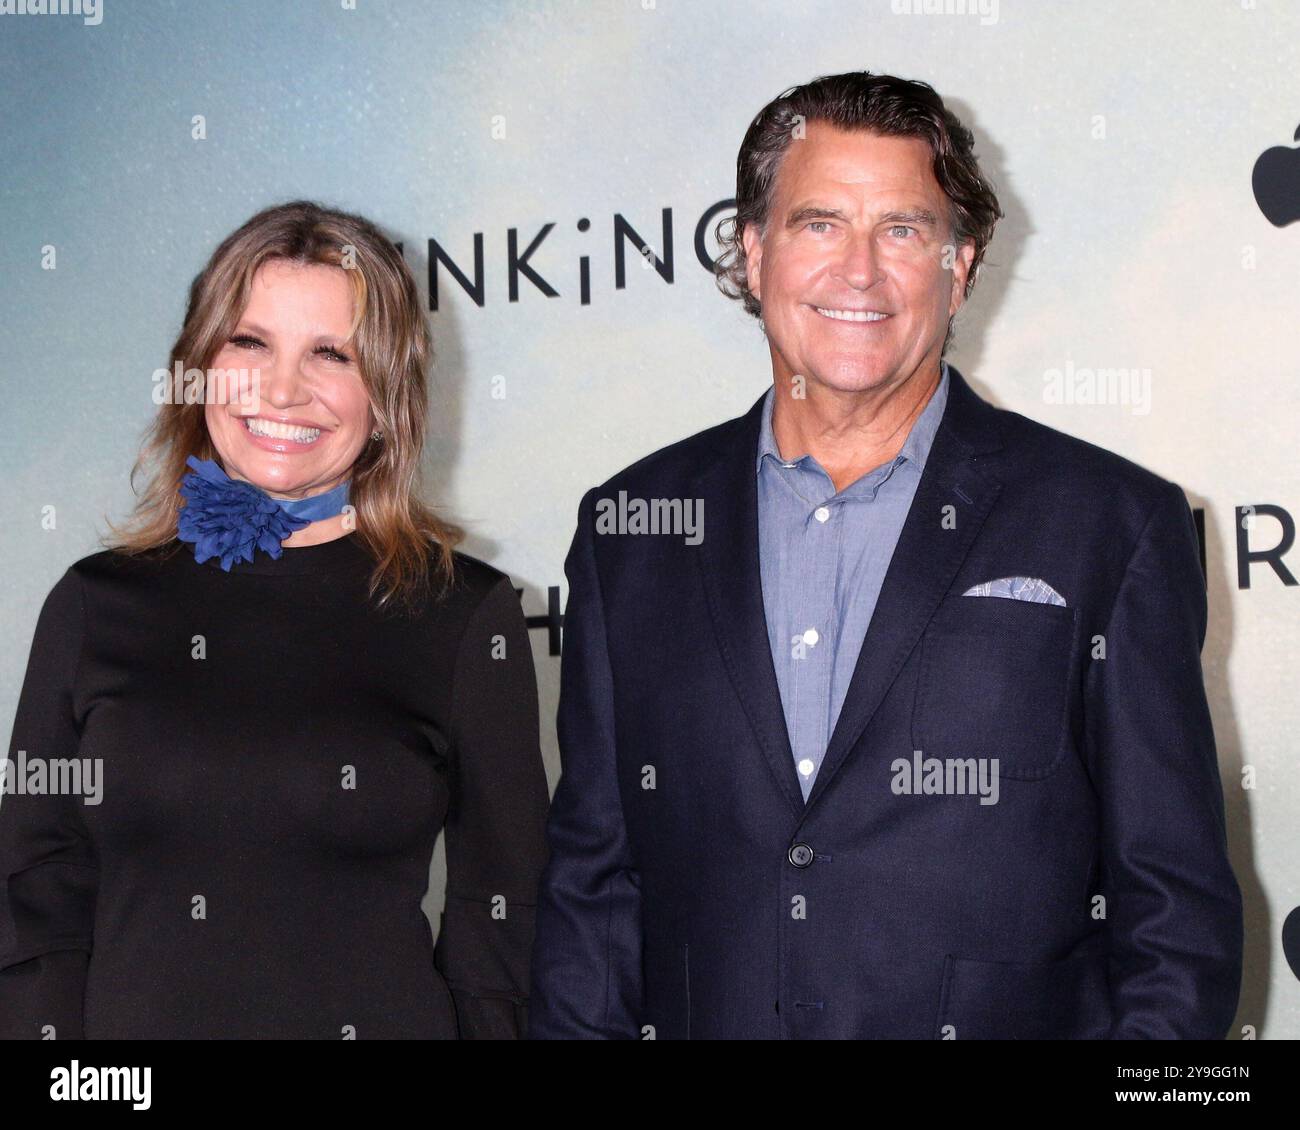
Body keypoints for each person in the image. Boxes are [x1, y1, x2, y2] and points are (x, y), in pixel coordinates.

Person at [529, 72, 1243, 1039]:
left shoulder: (1110, 525)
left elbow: (1175, 918)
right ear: (752, 250)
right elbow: (592, 895)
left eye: (902, 230)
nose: (858, 272)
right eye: (819, 224)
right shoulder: (632, 528)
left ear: (962, 263)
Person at [0, 200, 549, 1039]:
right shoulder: (91, 604)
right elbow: (37, 891)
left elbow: (500, 916)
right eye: (249, 342)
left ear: (388, 395)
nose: (281, 389)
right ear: (198, 367)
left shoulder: (466, 614)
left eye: (331, 353)